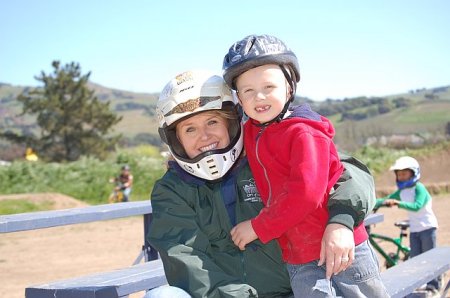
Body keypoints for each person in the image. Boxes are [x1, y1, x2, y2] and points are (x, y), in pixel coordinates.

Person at [145, 70, 377, 298]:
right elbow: (185, 258)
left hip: (291, 289)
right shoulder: (172, 190)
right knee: (162, 295)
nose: (204, 136)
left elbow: (348, 173)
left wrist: (342, 220)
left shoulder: (266, 152)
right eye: (190, 129)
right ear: (176, 139)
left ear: (232, 122)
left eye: (212, 121)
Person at [222, 34, 388, 297]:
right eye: (248, 91)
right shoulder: (252, 132)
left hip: (341, 247)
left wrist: (258, 227)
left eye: (269, 87)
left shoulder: (304, 134)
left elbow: (306, 194)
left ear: (289, 87)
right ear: (239, 99)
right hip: (298, 254)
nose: (259, 97)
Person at [376, 156, 440, 294]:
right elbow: (387, 199)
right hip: (415, 229)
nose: (402, 177)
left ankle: (434, 286)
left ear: (414, 173)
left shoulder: (419, 188)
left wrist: (398, 203)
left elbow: (417, 206)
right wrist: (372, 203)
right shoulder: (402, 191)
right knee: (416, 259)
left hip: (428, 227)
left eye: (404, 174)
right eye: (399, 174)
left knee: (430, 258)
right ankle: (421, 284)